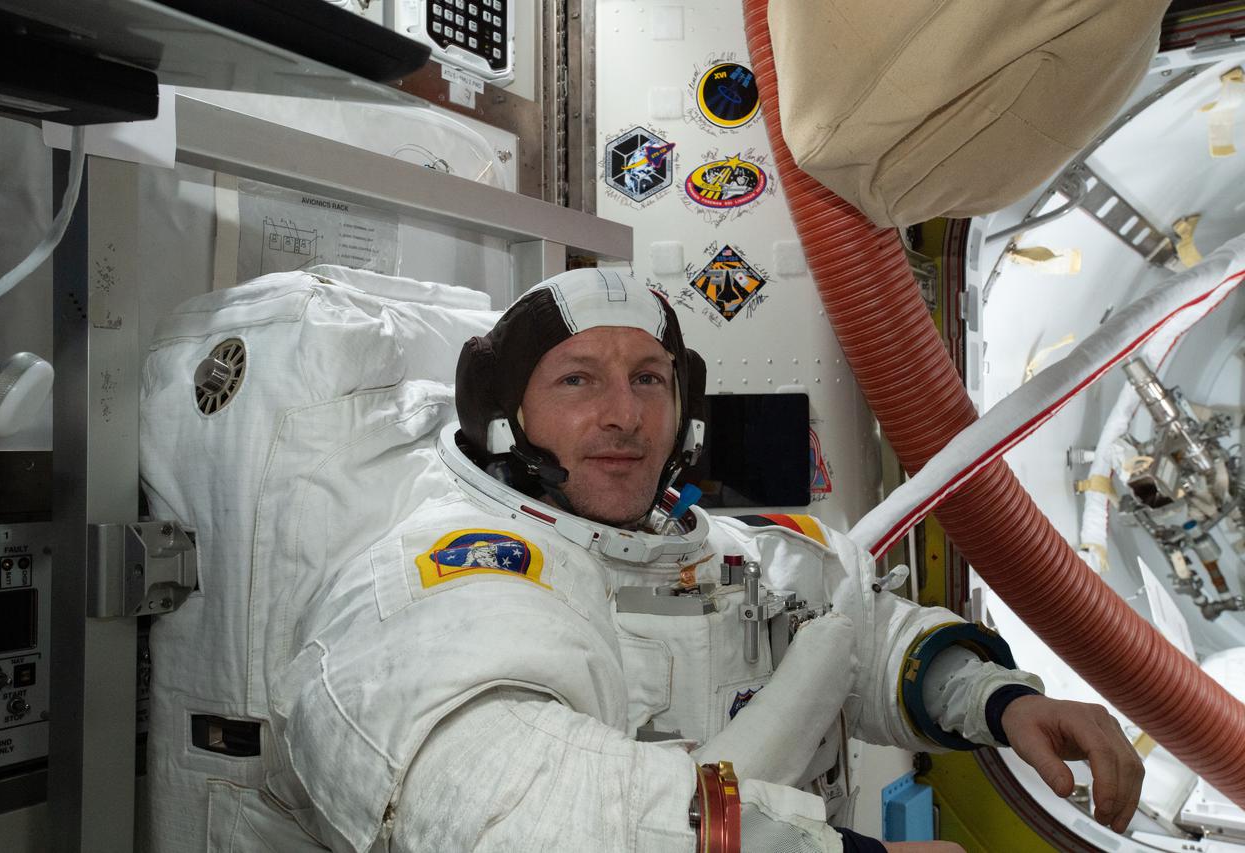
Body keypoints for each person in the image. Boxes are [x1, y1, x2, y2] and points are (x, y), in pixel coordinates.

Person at [267, 269, 1143, 852]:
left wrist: (997, 699)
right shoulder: (454, 577)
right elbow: (532, 821)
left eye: (649, 378)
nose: (624, 415)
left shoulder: (728, 552)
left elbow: (861, 634)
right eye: (578, 379)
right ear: (507, 414)